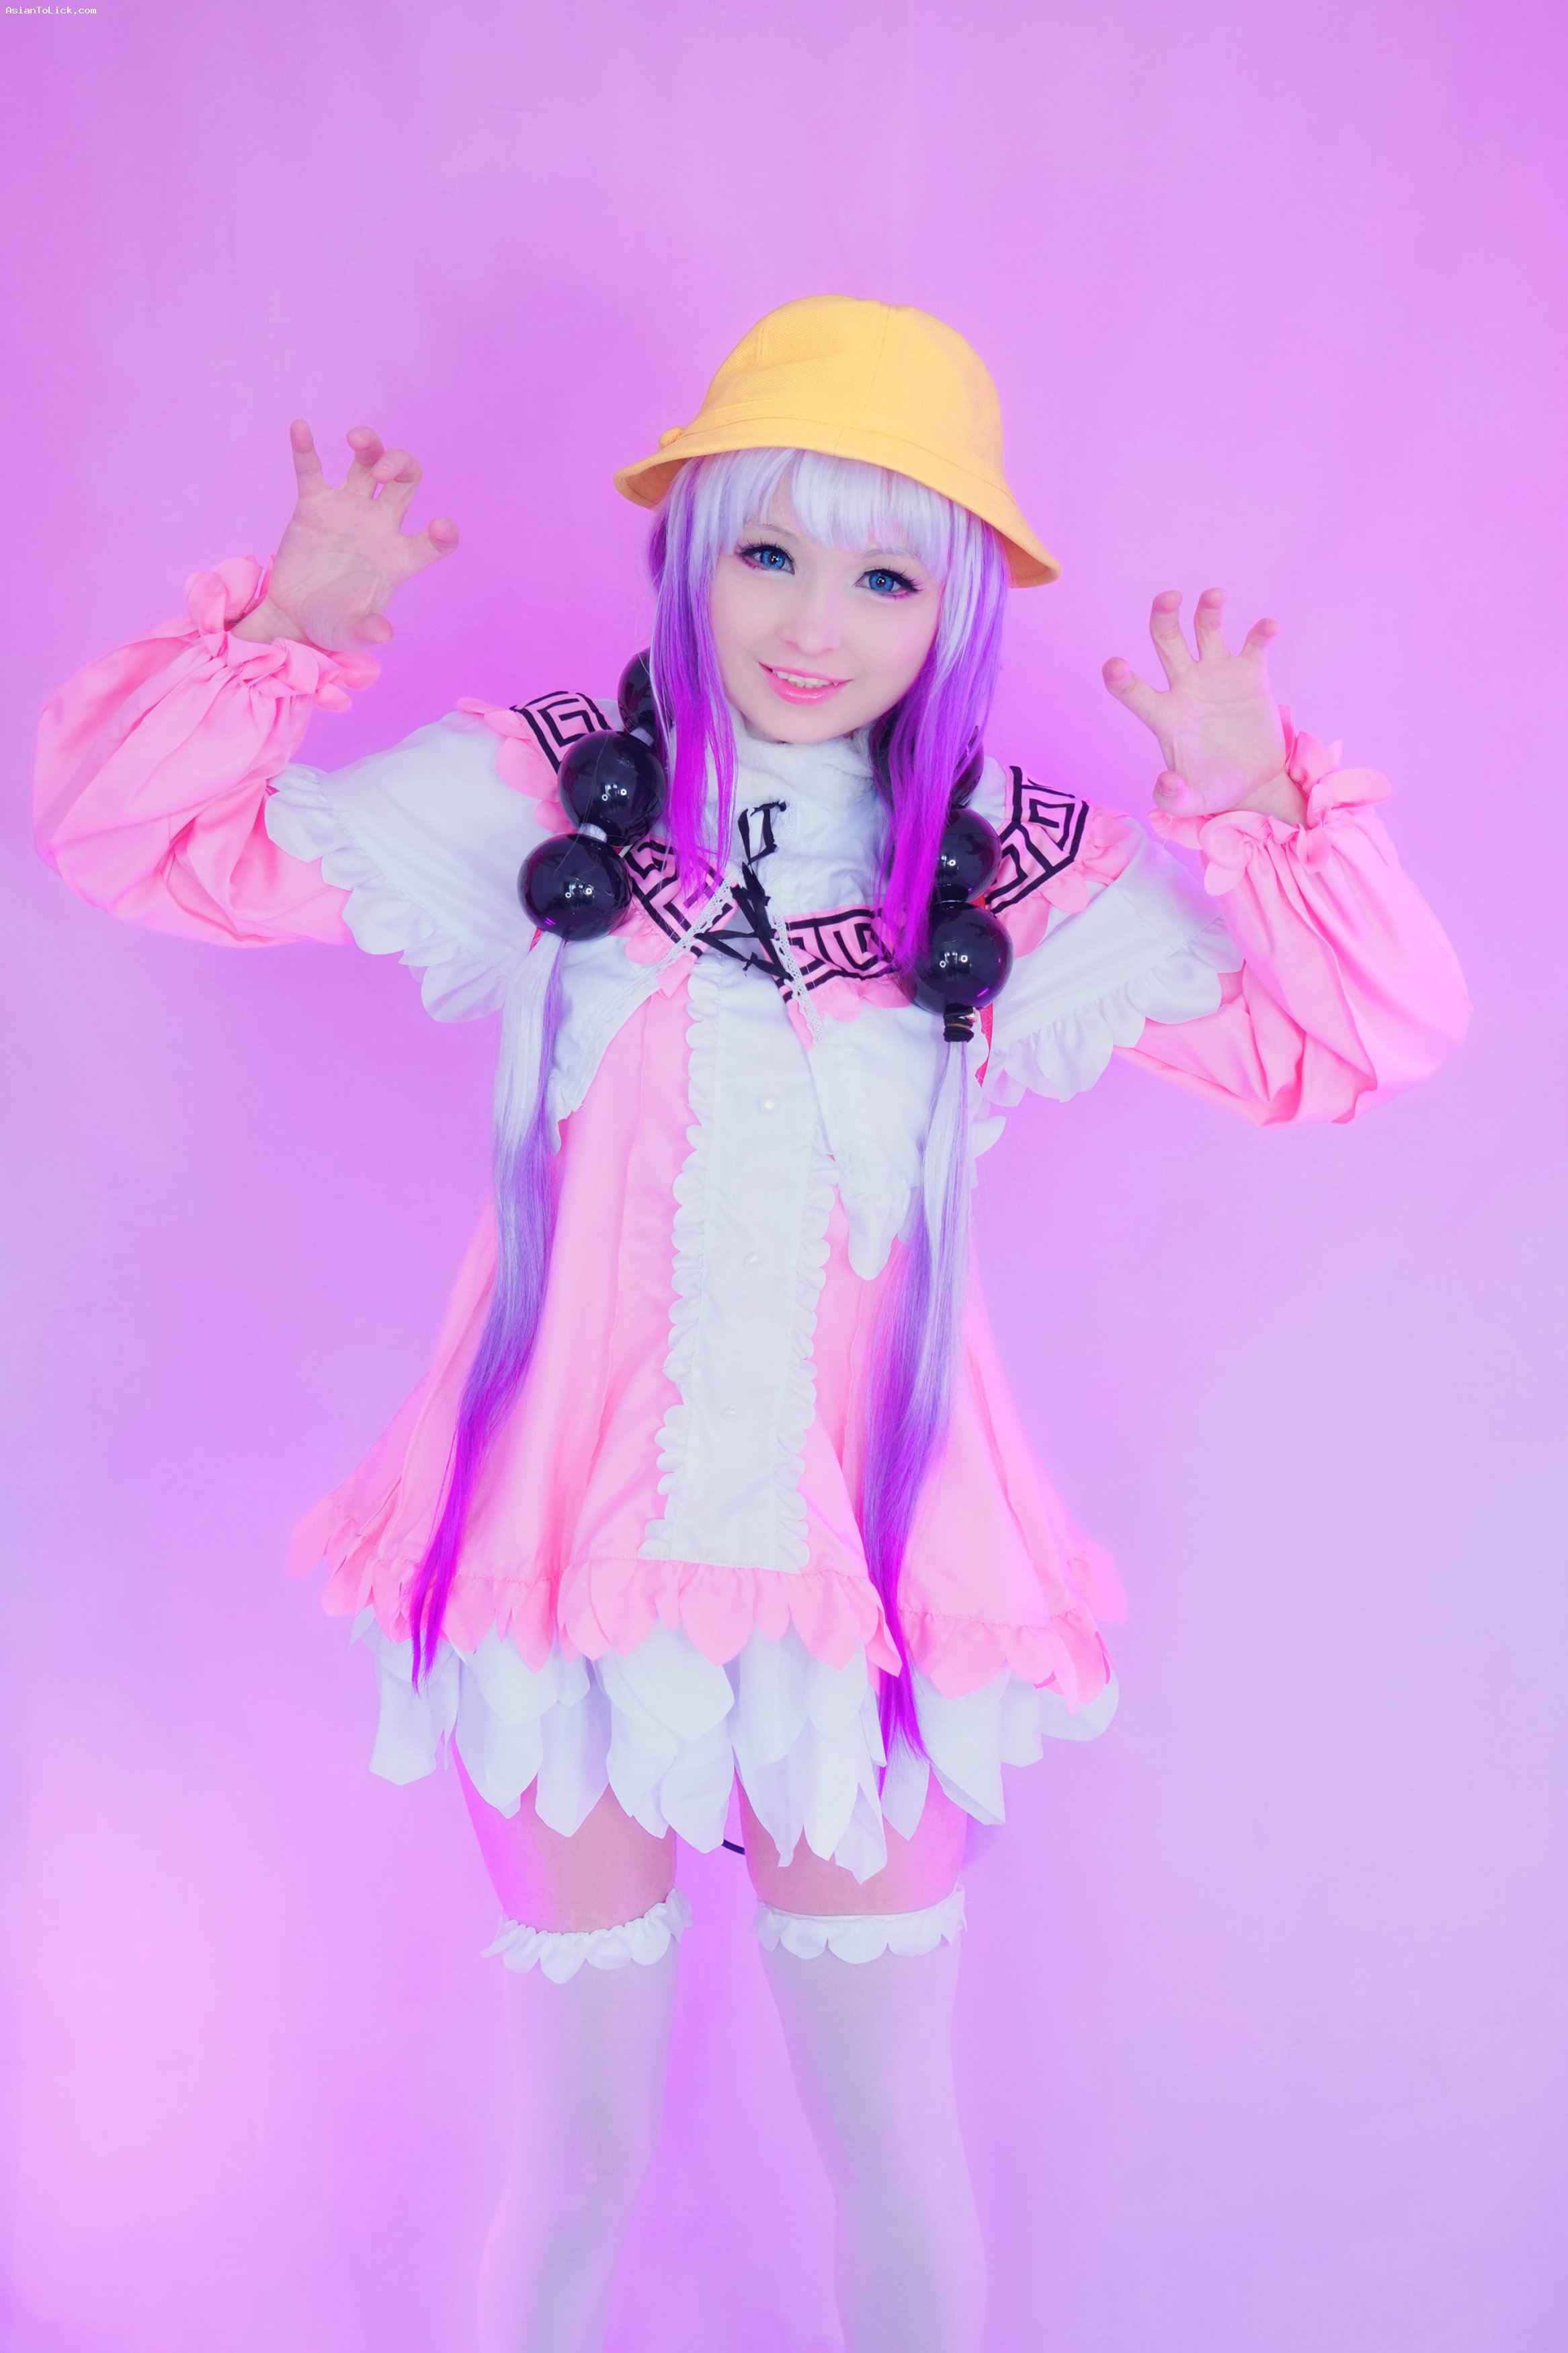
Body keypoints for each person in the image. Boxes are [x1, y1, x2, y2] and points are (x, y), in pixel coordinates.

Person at [34, 296, 1469, 2353]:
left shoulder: (1008, 879)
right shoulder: (551, 801)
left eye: (886, 575)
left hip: (860, 1605)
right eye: (769, 550)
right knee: (577, 2156)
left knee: (894, 2146)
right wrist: (288, 628)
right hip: (565, 1577)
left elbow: (1358, 1040)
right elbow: (136, 836)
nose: (813, 621)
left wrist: (1256, 806)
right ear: (692, 552)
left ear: (953, 607)